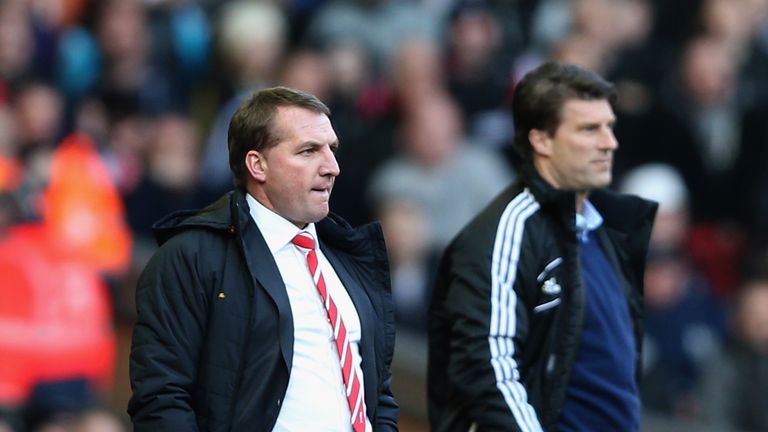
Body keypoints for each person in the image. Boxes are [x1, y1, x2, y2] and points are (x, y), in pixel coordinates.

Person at [128, 87, 398, 431]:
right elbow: (161, 398)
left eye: (331, 149)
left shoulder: (348, 255)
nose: (332, 167)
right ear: (258, 164)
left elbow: (379, 395)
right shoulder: (191, 256)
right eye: (308, 151)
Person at [427, 61, 657, 431]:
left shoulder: (606, 232)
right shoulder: (509, 229)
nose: (609, 142)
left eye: (609, 127)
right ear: (541, 140)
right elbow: (488, 366)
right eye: (589, 129)